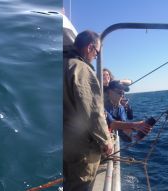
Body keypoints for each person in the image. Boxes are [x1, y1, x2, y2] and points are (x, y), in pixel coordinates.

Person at [63, 30, 113, 191]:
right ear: (90, 47)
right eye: (96, 53)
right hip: (79, 151)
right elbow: (92, 112)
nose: (95, 57)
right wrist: (106, 141)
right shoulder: (81, 69)